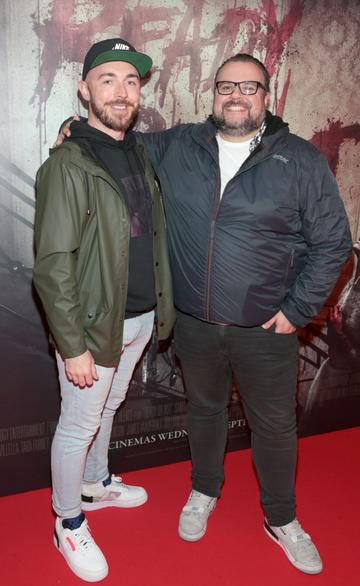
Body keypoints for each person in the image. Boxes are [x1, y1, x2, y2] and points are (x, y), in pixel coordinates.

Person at [58, 53, 352, 575]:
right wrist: (73, 127)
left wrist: (297, 310)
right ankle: (203, 490)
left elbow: (334, 244)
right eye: (226, 86)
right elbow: (117, 143)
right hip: (193, 323)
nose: (237, 95)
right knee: (204, 412)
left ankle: (281, 518)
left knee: (275, 427)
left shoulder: (299, 159)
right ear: (212, 93)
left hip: (266, 327)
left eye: (250, 87)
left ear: (268, 96)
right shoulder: (177, 145)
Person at [34, 38, 174, 582]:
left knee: (108, 410)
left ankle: (95, 485)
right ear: (84, 88)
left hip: (137, 318)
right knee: (78, 423)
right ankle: (67, 521)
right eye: (108, 79)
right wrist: (72, 345)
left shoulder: (138, 150)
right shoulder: (69, 164)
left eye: (131, 81)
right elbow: (52, 266)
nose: (121, 91)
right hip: (93, 328)